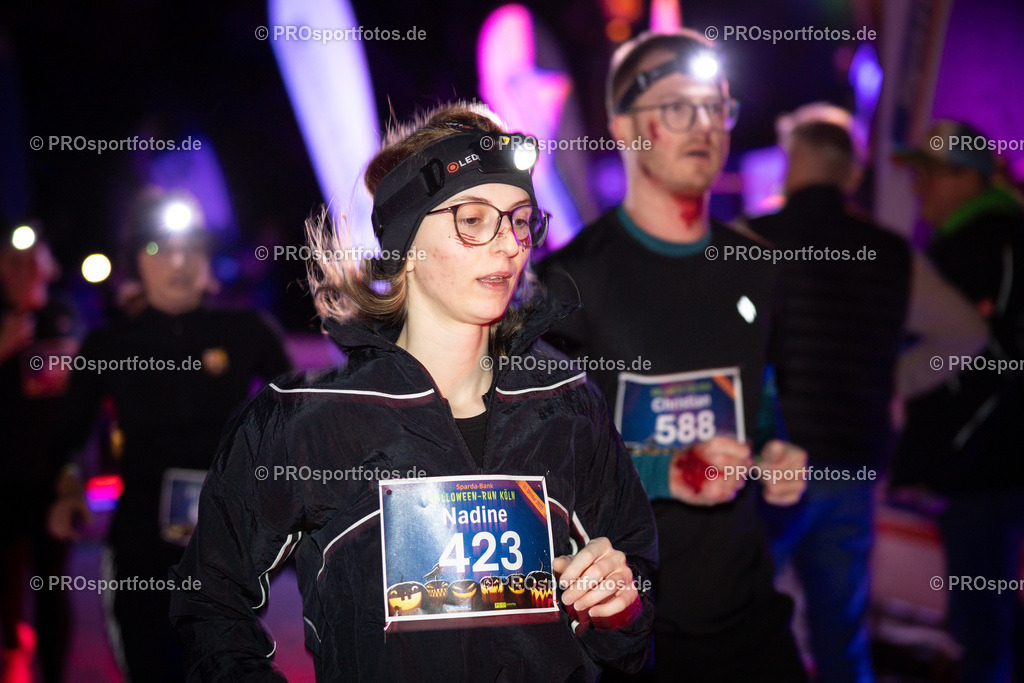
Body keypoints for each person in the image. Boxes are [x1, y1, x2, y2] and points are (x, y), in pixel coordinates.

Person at [169, 102, 659, 681]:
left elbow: (633, 634)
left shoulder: (567, 403)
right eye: (473, 220)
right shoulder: (307, 420)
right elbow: (210, 607)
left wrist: (620, 606)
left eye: (521, 219)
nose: (509, 244)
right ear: (405, 244)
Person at [538, 30, 808, 681]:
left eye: (717, 106)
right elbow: (538, 469)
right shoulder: (566, 285)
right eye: (679, 106)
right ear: (625, 125)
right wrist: (666, 472)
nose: (705, 125)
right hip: (629, 636)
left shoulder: (756, 267)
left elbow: (761, 401)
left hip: (753, 619)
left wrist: (776, 451)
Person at [749, 113, 987, 683]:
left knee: (748, 628)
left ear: (794, 162)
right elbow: (966, 334)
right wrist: (893, 381)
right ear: (853, 173)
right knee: (842, 635)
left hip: (772, 465)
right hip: (855, 463)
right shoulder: (890, 250)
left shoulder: (751, 240)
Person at [47, 190, 291, 682]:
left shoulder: (247, 331)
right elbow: (67, 437)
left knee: (224, 667)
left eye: (191, 248)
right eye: (159, 249)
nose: (177, 263)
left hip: (225, 543)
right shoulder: (110, 343)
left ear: (206, 257)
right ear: (137, 259)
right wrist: (69, 487)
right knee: (149, 665)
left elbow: (298, 414)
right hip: (139, 543)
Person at [896, 120, 1024, 682]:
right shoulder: (969, 240)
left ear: (967, 179)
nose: (919, 187)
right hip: (983, 465)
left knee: (982, 620)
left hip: (988, 468)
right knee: (985, 613)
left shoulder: (990, 242)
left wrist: (946, 459)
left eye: (929, 173)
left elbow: (996, 370)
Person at [0, 224, 74, 683]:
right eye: (12, 260)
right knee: (6, 584)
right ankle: (10, 650)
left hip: (50, 478)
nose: (26, 267)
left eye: (33, 257)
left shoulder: (62, 318)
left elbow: (79, 400)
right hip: (2, 478)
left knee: (52, 584)